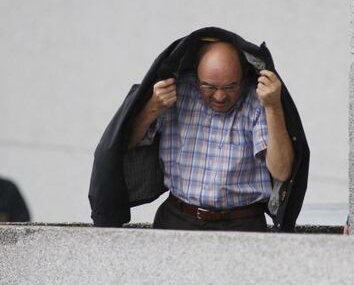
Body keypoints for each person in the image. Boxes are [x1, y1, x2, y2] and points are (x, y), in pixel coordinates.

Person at [89, 27, 310, 232]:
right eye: (209, 87)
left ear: (244, 75)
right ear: (196, 75)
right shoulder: (175, 91)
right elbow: (125, 145)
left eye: (231, 86)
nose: (220, 96)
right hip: (177, 219)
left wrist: (273, 106)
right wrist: (152, 108)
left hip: (242, 224)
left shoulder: (257, 99)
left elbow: (281, 171)